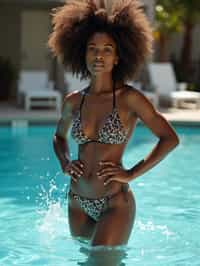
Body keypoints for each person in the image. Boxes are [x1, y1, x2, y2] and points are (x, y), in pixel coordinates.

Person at [48, 0, 179, 249]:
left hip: (114, 202)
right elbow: (59, 137)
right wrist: (65, 162)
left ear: (118, 57)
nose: (99, 55)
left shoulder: (130, 99)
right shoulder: (73, 101)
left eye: (108, 49)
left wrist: (132, 173)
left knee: (100, 262)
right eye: (92, 48)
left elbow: (170, 138)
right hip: (77, 201)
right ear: (82, 53)